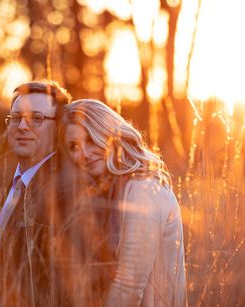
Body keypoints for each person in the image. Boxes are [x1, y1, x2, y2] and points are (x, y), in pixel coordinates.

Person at [60, 99, 187, 307]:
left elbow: (129, 287)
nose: (83, 154)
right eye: (74, 146)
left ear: (109, 133)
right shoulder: (107, 194)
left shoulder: (142, 189)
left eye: (91, 140)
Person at [0, 80, 72, 306]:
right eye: (16, 118)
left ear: (59, 128)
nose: (22, 126)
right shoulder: (19, 182)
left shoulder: (62, 194)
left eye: (37, 118)